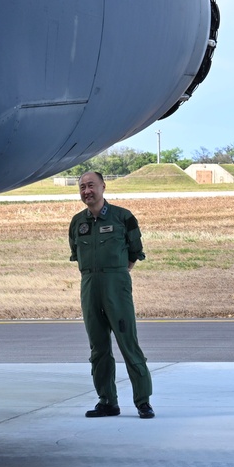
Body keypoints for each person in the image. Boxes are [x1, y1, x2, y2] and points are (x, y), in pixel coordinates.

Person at [68, 171, 154, 419]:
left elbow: (135, 252)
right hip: (89, 285)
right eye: (82, 187)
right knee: (98, 347)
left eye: (91, 185)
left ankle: (143, 401)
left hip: (116, 284)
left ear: (103, 186)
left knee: (128, 343)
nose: (87, 191)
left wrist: (116, 274)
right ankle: (107, 400)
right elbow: (76, 254)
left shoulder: (122, 217)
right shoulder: (77, 222)